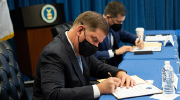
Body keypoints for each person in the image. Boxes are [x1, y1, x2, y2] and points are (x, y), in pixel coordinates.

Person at [32, 11, 136, 100]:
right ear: (80, 30)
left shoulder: (80, 46)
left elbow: (98, 67)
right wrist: (99, 89)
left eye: (99, 42)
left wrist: (119, 73)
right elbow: (53, 95)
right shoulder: (53, 54)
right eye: (94, 40)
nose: (96, 46)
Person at [94, 1, 144, 67]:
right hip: (101, 68)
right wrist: (115, 52)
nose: (120, 24)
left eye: (122, 21)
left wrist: (137, 40)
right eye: (118, 21)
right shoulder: (95, 29)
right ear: (108, 17)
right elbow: (93, 55)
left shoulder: (113, 26)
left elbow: (125, 35)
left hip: (116, 65)